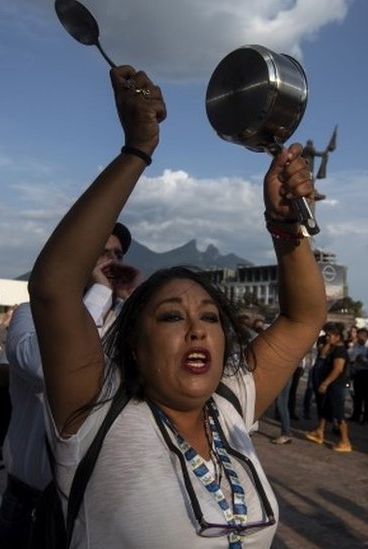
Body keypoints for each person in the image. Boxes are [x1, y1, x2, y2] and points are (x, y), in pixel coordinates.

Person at [27, 65, 325, 547]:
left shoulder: (230, 405)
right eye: (171, 316)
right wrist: (137, 149)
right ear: (135, 346)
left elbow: (302, 316)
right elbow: (53, 288)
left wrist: (285, 225)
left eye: (210, 317)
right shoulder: (96, 411)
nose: (197, 329)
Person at [0, 222, 138, 548]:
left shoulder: (127, 325)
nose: (112, 262)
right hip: (28, 505)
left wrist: (132, 306)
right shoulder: (30, 314)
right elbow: (47, 366)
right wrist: (99, 293)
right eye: (101, 253)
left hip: (96, 511)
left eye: (118, 255)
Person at [305, 322, 352, 452]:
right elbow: (322, 354)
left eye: (331, 336)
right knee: (325, 409)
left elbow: (337, 369)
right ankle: (319, 431)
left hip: (336, 385)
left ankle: (345, 441)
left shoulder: (340, 351)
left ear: (338, 337)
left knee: (339, 413)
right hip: (332, 385)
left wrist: (325, 383)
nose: (327, 337)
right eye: (327, 335)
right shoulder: (333, 347)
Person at [347, 327, 368, 425]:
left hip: (367, 372)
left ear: (365, 337)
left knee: (367, 396)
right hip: (357, 371)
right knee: (357, 395)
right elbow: (351, 355)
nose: (359, 339)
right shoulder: (356, 345)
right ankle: (356, 414)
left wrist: (363, 360)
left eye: (360, 337)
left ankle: (366, 418)